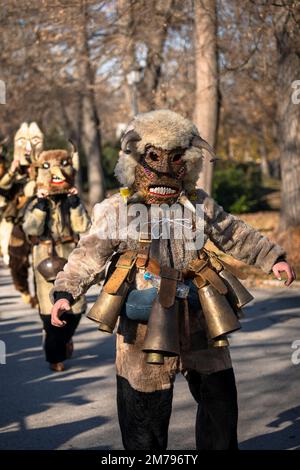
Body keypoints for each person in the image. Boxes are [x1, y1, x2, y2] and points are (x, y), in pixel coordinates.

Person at [50, 110, 295, 449]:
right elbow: (88, 254)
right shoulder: (117, 209)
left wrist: (273, 258)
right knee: (143, 425)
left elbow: (234, 233)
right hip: (141, 330)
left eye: (176, 157)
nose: (164, 168)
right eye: (154, 156)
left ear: (188, 161)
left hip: (202, 319)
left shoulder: (198, 204)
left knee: (220, 412)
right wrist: (65, 290)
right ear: (135, 160)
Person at [23, 147, 90, 372]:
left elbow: (84, 227)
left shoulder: (72, 200)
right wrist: (41, 207)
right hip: (44, 258)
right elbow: (30, 229)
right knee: (48, 311)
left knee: (75, 309)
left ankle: (65, 339)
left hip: (69, 255)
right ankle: (55, 356)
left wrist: (74, 205)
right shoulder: (35, 202)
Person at [0, 122, 43, 304]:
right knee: (17, 260)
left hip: (41, 221)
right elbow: (2, 187)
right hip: (17, 221)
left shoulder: (43, 167)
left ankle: (43, 294)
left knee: (42, 261)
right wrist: (12, 171)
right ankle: (24, 290)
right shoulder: (12, 171)